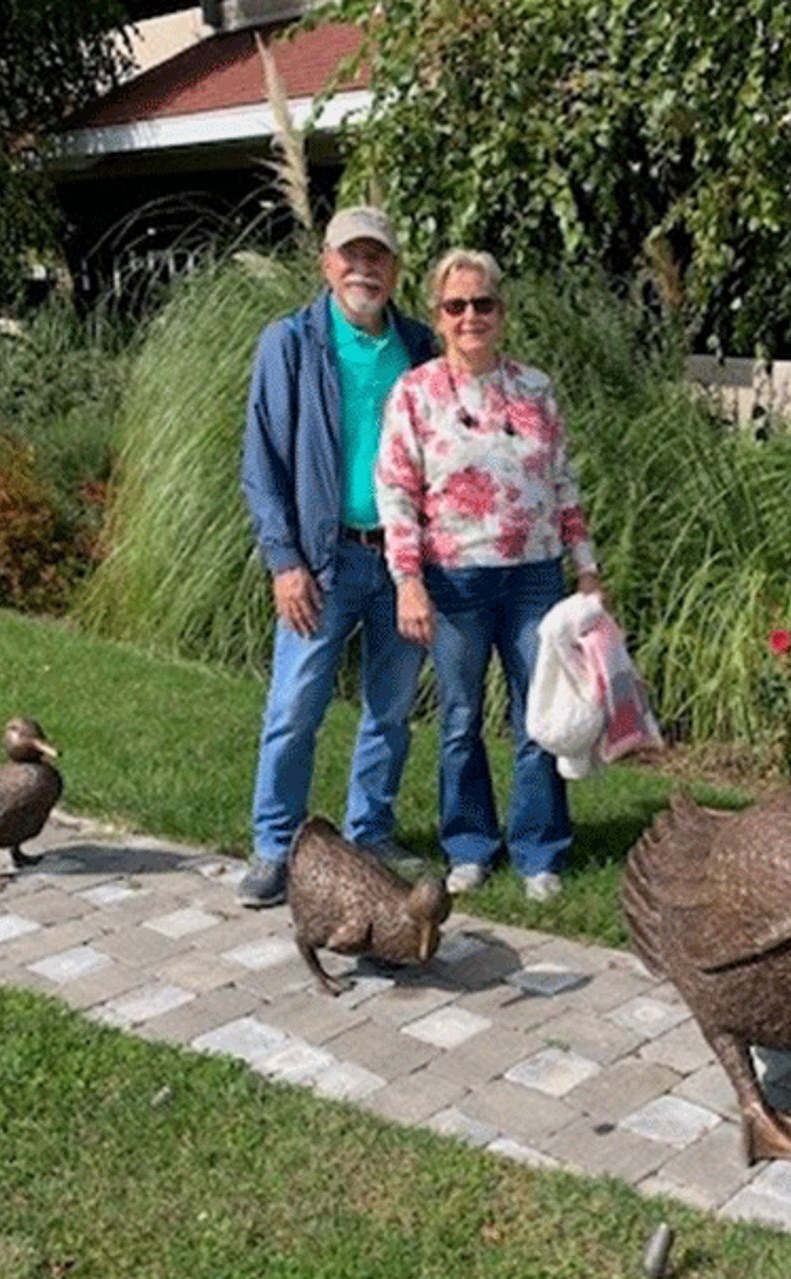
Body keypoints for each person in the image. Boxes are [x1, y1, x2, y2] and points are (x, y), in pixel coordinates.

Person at [374, 248, 601, 902]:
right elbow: (395, 491)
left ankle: (539, 851)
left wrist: (585, 569)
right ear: (437, 316)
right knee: (460, 717)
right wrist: (408, 580)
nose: (470, 316)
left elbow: (564, 483)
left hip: (534, 576)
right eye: (455, 306)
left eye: (483, 303)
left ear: (501, 311)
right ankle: (469, 846)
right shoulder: (414, 393)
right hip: (453, 580)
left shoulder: (535, 388)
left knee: (541, 715)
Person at [236, 206, 436, 907]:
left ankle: (370, 831)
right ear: (326, 263)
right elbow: (261, 463)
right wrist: (283, 560)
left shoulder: (421, 346)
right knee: (295, 706)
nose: (364, 269)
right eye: (351, 256)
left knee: (389, 708)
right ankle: (274, 844)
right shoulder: (291, 342)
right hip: (321, 562)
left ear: (396, 270)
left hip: (402, 563)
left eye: (377, 257)